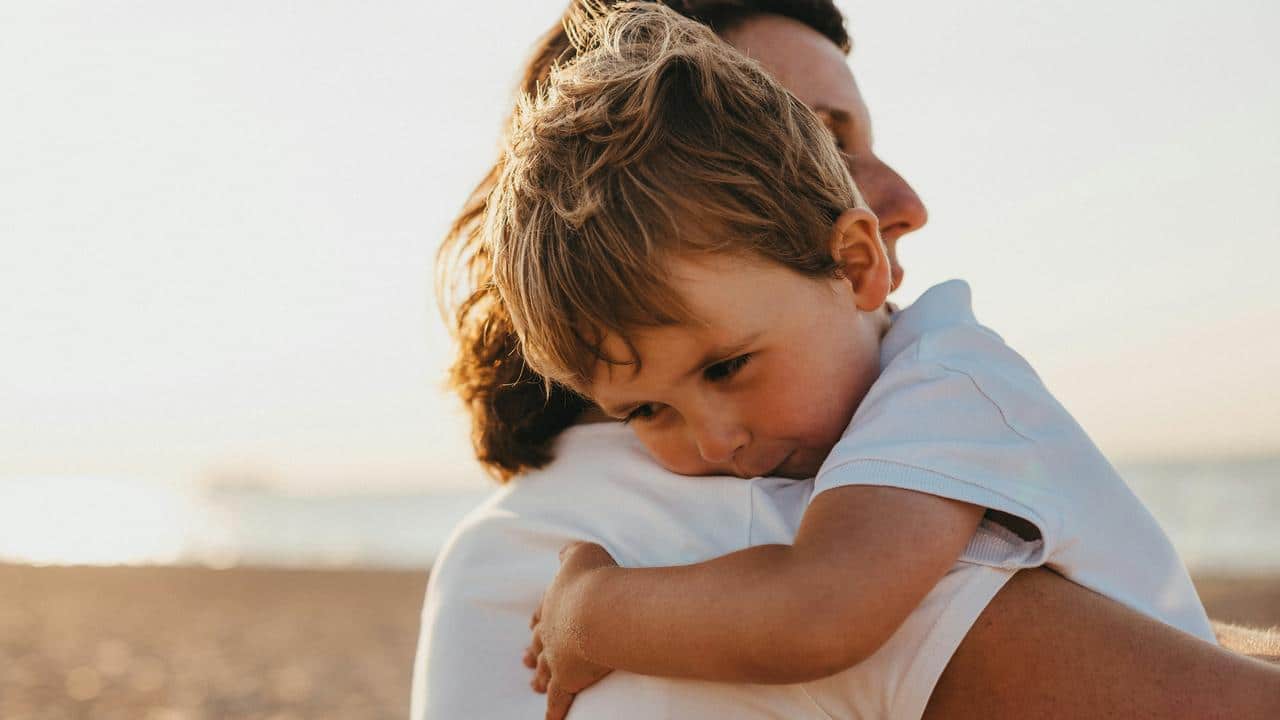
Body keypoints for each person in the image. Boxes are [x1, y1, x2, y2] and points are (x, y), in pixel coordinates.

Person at [412, 2, 1280, 718]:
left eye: (725, 369)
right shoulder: (731, 513)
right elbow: (817, 606)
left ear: (853, 262)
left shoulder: (935, 391)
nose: (908, 199)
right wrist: (586, 610)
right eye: (818, 140)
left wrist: (591, 611)